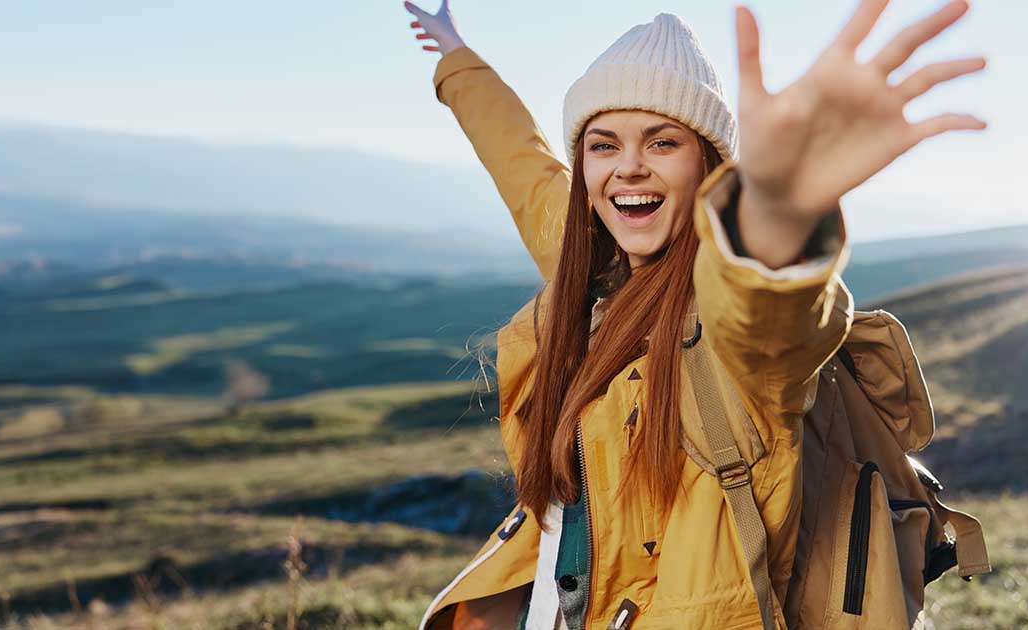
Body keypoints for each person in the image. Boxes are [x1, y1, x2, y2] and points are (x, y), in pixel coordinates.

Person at [402, 1, 986, 628]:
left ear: (709, 164)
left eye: (662, 142)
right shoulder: (596, 266)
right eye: (604, 145)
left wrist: (777, 209)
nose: (628, 166)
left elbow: (769, 312)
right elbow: (520, 160)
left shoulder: (729, 340)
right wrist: (457, 59)